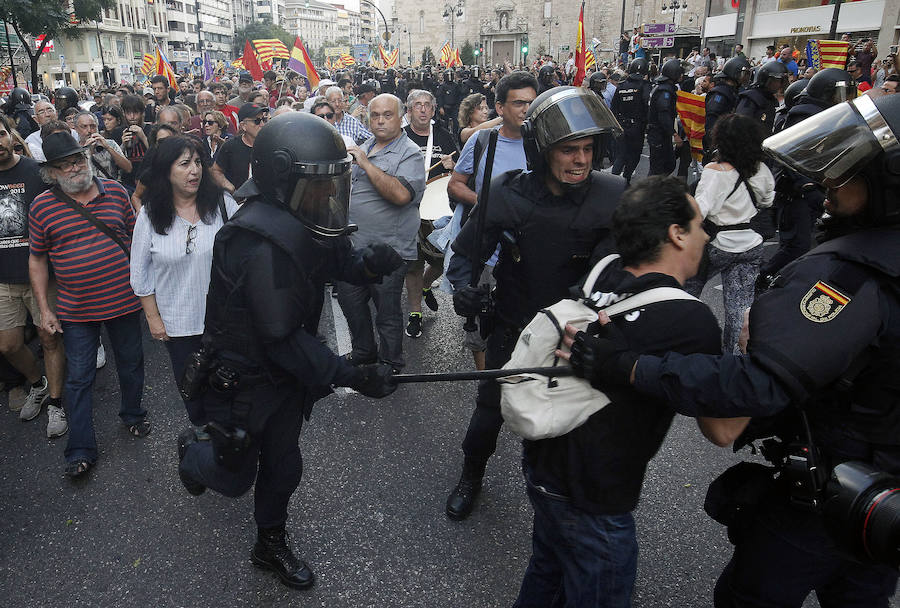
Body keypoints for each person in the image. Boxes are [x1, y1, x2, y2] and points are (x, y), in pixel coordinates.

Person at [562, 91, 900, 607]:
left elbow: (753, 389)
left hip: (833, 491)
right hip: (879, 501)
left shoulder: (853, 277)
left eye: (847, 172)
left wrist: (625, 367)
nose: (827, 182)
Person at [176, 112, 402, 590]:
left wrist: (368, 266)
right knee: (232, 477)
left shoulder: (304, 213)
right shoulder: (257, 242)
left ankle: (269, 543)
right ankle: (191, 455)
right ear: (282, 180)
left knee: (283, 467)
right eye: (319, 186)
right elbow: (281, 338)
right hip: (244, 381)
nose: (329, 196)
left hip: (283, 380)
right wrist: (350, 374)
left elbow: (334, 258)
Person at [515, 176, 737, 608]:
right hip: (596, 495)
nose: (706, 235)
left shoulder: (604, 270)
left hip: (544, 462)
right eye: (698, 225)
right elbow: (723, 430)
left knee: (548, 570)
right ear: (676, 234)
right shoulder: (690, 320)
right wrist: (753, 352)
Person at [445, 86, 626, 521]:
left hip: (577, 334)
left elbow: (636, 265)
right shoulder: (507, 193)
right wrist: (464, 292)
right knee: (490, 410)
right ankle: (472, 473)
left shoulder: (613, 195)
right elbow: (465, 255)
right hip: (514, 324)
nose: (581, 160)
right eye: (568, 150)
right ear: (543, 150)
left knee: (577, 416)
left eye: (587, 149)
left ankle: (568, 495)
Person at [29, 132, 150, 479]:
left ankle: (133, 414)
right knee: (79, 378)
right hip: (76, 309)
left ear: (87, 157)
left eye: (77, 160)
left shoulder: (115, 192)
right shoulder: (42, 206)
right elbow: (37, 260)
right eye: (64, 165)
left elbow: (137, 239)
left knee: (131, 364)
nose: (74, 168)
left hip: (124, 301)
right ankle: (81, 449)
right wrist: (44, 309)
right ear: (51, 173)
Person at [130, 136, 237, 427]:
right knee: (194, 394)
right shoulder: (150, 215)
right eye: (184, 164)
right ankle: (207, 449)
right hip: (179, 326)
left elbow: (247, 256)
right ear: (166, 171)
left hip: (226, 322)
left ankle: (233, 448)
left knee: (232, 392)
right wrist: (153, 319)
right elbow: (140, 273)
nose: (194, 171)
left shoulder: (223, 205)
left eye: (198, 163)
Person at [446, 72, 539, 371]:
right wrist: (489, 206)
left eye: (531, 102)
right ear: (500, 109)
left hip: (529, 258)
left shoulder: (542, 146)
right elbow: (455, 185)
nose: (526, 109)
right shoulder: (484, 141)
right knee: (480, 332)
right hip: (486, 255)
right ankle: (487, 389)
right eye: (519, 103)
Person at [335, 94, 426, 371]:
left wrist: (364, 163)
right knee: (351, 303)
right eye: (375, 115)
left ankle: (391, 363)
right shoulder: (367, 145)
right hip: (355, 246)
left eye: (387, 115)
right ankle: (364, 351)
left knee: (386, 312)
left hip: (388, 249)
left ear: (402, 118)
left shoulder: (408, 152)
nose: (380, 120)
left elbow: (400, 195)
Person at [683, 114, 774, 354]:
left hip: (716, 245)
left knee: (687, 293)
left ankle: (683, 344)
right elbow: (767, 200)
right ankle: (734, 357)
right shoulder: (762, 169)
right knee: (740, 308)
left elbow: (700, 211)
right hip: (751, 244)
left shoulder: (716, 170)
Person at [0, 119, 66, 435]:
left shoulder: (35, 172)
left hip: (41, 275)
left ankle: (56, 402)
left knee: (49, 337)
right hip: (3, 280)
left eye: (0, 134)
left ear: (10, 136)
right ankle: (36, 383)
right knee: (9, 346)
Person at [759, 68, 854, 284]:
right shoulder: (806, 116)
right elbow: (793, 158)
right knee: (796, 245)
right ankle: (764, 276)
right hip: (796, 192)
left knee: (802, 244)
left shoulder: (826, 114)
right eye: (841, 93)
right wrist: (807, 186)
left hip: (811, 188)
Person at [402, 89, 458, 338]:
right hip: (407, 210)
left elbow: (460, 175)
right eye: (418, 105)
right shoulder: (400, 138)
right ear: (409, 110)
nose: (423, 109)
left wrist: (453, 167)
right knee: (413, 265)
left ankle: (426, 285)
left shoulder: (445, 137)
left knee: (440, 262)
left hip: (436, 213)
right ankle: (415, 313)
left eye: (427, 105)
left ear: (434, 111)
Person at [210, 103, 267, 194]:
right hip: (238, 202)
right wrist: (230, 187)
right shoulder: (231, 146)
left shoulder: (271, 144)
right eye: (257, 121)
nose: (262, 124)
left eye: (264, 119)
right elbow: (216, 170)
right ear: (243, 125)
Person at [610, 58, 651, 184]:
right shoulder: (645, 86)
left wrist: (620, 122)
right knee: (634, 156)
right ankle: (625, 180)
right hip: (637, 127)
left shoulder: (621, 86)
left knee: (621, 155)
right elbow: (647, 106)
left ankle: (612, 182)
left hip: (622, 126)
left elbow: (614, 108)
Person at [703, 56, 751, 162]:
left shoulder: (733, 92)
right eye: (744, 74)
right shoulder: (720, 93)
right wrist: (715, 147)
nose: (745, 78)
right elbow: (712, 123)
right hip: (718, 148)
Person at [647, 59, 684, 177]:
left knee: (668, 164)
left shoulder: (662, 88)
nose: (682, 75)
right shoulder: (665, 91)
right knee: (658, 169)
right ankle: (649, 193)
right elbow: (663, 114)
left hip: (660, 134)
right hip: (659, 134)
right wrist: (674, 134)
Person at [74, 111, 132, 183]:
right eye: (84, 127)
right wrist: (87, 152)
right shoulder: (73, 150)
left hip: (109, 188)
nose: (89, 130)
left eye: (93, 126)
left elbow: (128, 168)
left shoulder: (110, 143)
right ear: (76, 128)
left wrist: (108, 148)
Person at [736, 61, 789, 134]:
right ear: (766, 80)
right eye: (777, 81)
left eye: (782, 82)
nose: (779, 85)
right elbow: (740, 126)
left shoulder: (771, 100)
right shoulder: (751, 98)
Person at [119, 94, 152, 195]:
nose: (132, 117)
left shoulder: (151, 130)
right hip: (127, 183)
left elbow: (157, 154)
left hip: (149, 181)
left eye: (136, 113)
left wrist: (143, 137)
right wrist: (123, 145)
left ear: (142, 113)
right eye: (128, 113)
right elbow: (114, 162)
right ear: (124, 113)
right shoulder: (118, 132)